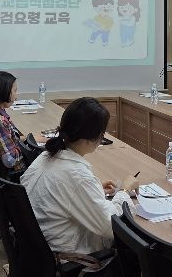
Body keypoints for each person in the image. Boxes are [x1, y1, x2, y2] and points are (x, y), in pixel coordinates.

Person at [21, 97, 139, 255]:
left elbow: (65, 191)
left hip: (35, 248)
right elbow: (113, 226)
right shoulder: (77, 176)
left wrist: (94, 189)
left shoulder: (46, 155)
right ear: (90, 139)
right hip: (65, 255)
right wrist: (125, 190)